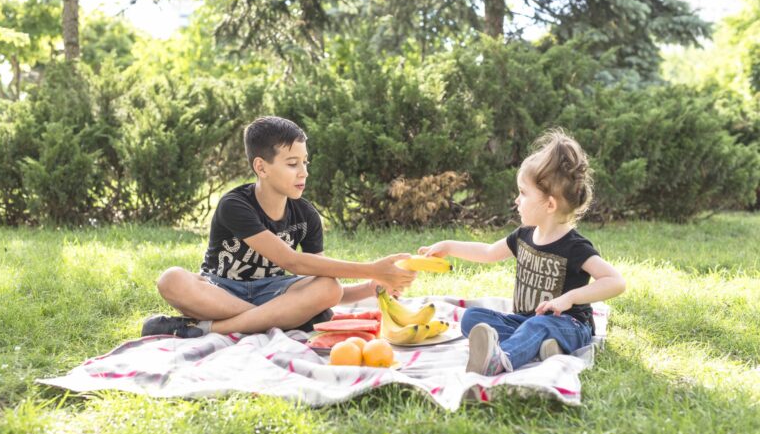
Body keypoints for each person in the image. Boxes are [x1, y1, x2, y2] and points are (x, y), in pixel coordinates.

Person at [142, 116, 416, 338]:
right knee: (171, 279)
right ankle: (281, 320)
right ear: (261, 167)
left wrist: (371, 285)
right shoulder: (235, 205)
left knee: (328, 288)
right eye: (293, 163)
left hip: (273, 292)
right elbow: (292, 261)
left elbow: (318, 277)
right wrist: (372, 268)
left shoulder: (306, 214)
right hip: (221, 289)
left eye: (305, 162)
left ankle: (207, 328)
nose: (304, 172)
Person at [418, 129, 625, 375]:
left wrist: (568, 299)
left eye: (523, 193)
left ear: (549, 204)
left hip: (570, 325)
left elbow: (616, 282)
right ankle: (544, 349)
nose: (517, 200)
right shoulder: (524, 235)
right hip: (526, 322)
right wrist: (450, 246)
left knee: (538, 326)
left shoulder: (574, 246)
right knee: (472, 319)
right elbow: (487, 252)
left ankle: (501, 360)